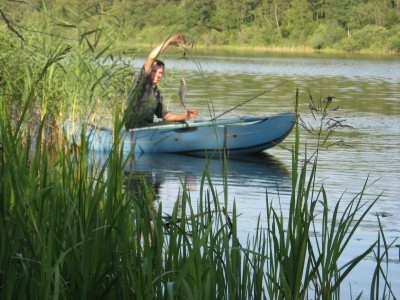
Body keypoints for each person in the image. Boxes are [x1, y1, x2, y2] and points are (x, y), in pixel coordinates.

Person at [125, 34, 199, 129]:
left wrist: (185, 116)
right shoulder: (142, 81)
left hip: (147, 128)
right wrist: (169, 41)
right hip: (133, 128)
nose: (157, 75)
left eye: (160, 72)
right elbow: (151, 57)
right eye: (154, 71)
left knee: (177, 124)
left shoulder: (157, 94)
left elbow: (166, 116)